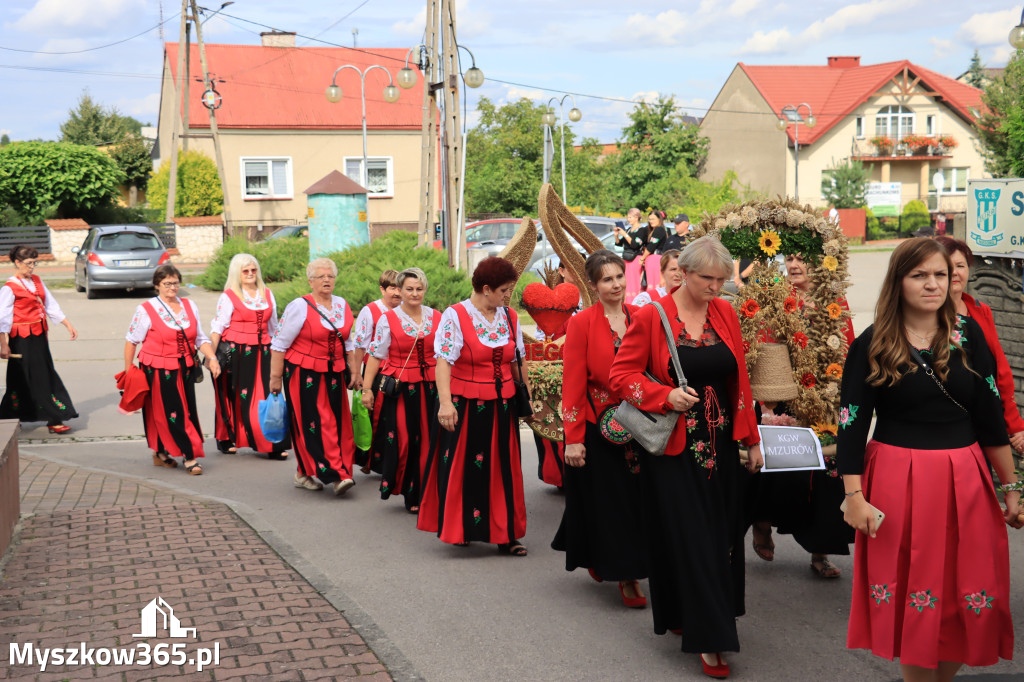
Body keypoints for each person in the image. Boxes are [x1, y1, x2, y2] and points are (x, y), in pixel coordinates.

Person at [838, 238, 1019, 681]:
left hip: (967, 481)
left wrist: (1011, 487)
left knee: (969, 596)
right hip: (899, 482)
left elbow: (991, 418)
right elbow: (852, 424)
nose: (933, 284)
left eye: (940, 274)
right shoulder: (872, 343)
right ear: (898, 282)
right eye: (919, 275)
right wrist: (854, 497)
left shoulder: (969, 334)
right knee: (917, 598)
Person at [609, 236, 763, 679]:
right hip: (676, 448)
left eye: (722, 280)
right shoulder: (652, 316)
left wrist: (751, 439)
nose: (716, 287)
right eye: (707, 279)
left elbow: (741, 383)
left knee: (723, 536)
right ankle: (711, 638)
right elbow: (623, 375)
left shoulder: (726, 312)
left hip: (721, 445)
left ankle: (685, 612)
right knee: (696, 539)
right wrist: (663, 395)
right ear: (683, 273)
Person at [747, 252, 856, 578]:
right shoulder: (779, 298)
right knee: (778, 470)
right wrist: (766, 402)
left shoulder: (833, 301)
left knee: (826, 474)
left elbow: (848, 347)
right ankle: (762, 523)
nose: (794, 265)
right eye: (790, 258)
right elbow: (763, 344)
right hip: (783, 395)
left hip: (823, 400)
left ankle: (819, 551)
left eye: (802, 259)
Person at [553, 249, 648, 608]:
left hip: (641, 424)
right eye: (607, 279)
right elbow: (573, 384)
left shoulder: (642, 317)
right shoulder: (581, 324)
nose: (616, 285)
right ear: (593, 286)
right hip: (599, 425)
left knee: (640, 497)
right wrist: (573, 439)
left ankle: (626, 560)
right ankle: (626, 573)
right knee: (611, 500)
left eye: (620, 277)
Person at [417, 256, 529, 556]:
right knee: (465, 468)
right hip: (465, 404)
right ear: (487, 288)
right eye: (505, 290)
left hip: (503, 404)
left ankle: (507, 534)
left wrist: (528, 397)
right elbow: (443, 362)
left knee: (505, 469)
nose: (508, 296)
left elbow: (518, 361)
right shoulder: (455, 316)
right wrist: (445, 404)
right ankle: (463, 528)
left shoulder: (509, 317)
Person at [269, 258, 360, 496]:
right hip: (303, 373)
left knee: (338, 423)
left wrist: (355, 371)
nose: (327, 280)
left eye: (330, 276)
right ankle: (336, 475)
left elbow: (348, 342)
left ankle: (303, 472)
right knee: (317, 423)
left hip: (334, 372)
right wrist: (275, 378)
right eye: (321, 276)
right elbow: (279, 344)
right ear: (311, 281)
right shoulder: (299, 306)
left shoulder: (342, 304)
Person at [124, 264, 220, 475]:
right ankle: (189, 455)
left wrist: (212, 357)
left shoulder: (189, 305)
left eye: (176, 283)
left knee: (185, 410)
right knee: (168, 411)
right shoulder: (145, 309)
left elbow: (200, 338)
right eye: (167, 283)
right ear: (157, 285)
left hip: (184, 367)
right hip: (156, 368)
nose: (172, 287)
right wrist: (128, 371)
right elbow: (132, 341)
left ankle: (160, 452)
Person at [361, 267, 440, 513]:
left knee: (432, 439)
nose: (414, 293)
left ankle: (432, 490)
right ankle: (410, 492)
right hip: (403, 389)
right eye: (409, 289)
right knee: (407, 440)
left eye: (419, 289)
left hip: (434, 387)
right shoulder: (388, 319)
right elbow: (375, 355)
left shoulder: (437, 316)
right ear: (400, 291)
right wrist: (366, 389)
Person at [935, 236, 1024, 452]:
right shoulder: (926, 314)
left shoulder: (979, 310)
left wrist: (1015, 425)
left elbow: (999, 369)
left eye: (961, 266)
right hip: (943, 422)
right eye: (947, 266)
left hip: (983, 415)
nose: (955, 272)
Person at [209, 253, 286, 459]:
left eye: (253, 270)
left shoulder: (267, 293)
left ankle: (269, 442)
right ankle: (226, 437)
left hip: (264, 352)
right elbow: (218, 327)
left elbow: (274, 327)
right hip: (236, 353)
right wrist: (211, 357)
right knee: (233, 396)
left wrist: (281, 352)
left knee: (265, 396)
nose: (251, 274)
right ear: (237, 273)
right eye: (246, 271)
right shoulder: (229, 296)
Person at [0, 245, 78, 433]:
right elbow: (2, 318)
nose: (32, 267)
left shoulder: (36, 281)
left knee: (34, 374)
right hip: (21, 339)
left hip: (39, 336)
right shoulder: (9, 288)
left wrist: (67, 324)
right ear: (17, 263)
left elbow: (50, 304)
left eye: (34, 263)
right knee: (30, 376)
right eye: (28, 263)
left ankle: (17, 416)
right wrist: (3, 344)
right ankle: (49, 417)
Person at [353, 270, 401, 472]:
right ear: (382, 289)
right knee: (375, 417)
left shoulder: (406, 311)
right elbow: (360, 345)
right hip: (376, 371)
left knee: (395, 418)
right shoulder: (370, 311)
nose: (397, 293)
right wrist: (356, 374)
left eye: (400, 288)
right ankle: (371, 460)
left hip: (399, 371)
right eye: (392, 288)